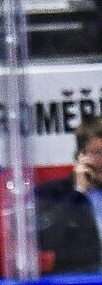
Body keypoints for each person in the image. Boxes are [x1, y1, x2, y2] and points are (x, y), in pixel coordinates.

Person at [35, 116, 102, 275]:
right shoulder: (51, 194)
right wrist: (79, 193)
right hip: (77, 283)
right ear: (80, 156)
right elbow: (50, 241)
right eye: (98, 152)